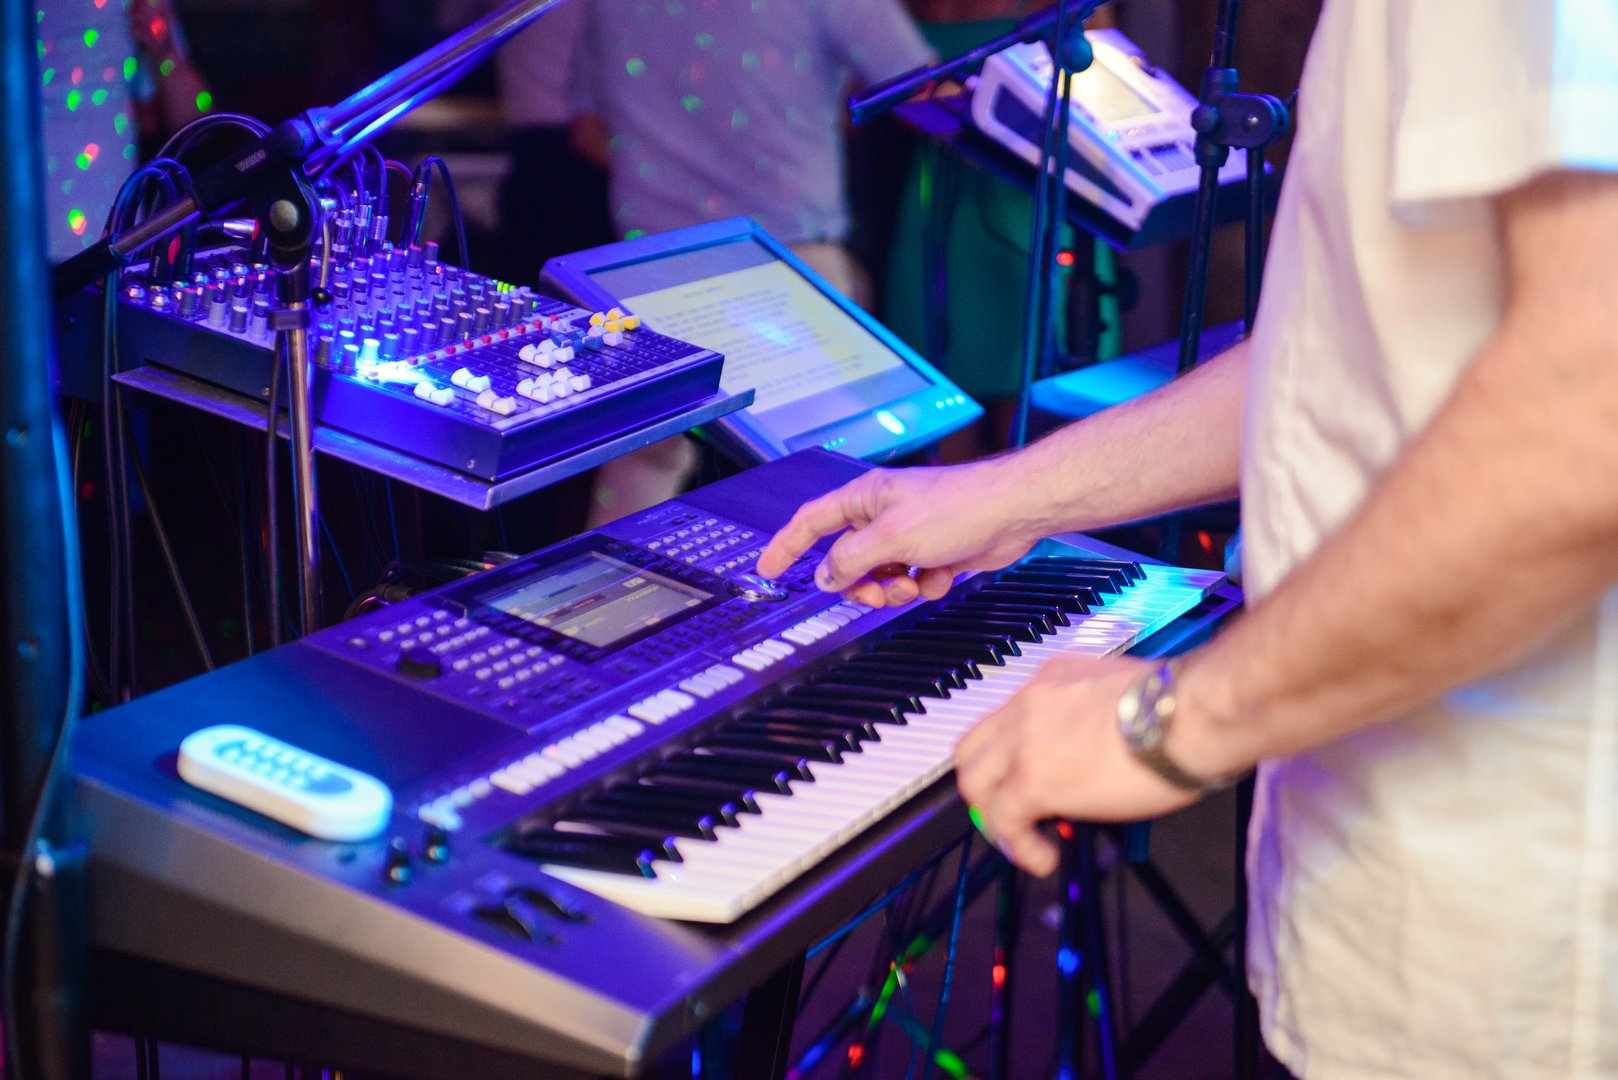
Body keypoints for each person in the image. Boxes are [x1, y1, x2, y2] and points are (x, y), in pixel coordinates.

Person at [757, 1, 1618, 1075]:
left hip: (1510, 926)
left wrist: (1169, 722)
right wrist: (1009, 494)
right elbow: (1324, 357)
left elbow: (1585, 416)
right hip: (1395, 862)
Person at [566, 0, 936, 524]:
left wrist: (677, 170)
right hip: (787, 260)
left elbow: (587, 130)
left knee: (643, 463)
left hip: (646, 263)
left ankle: (609, 577)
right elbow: (924, 88)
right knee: (816, 473)